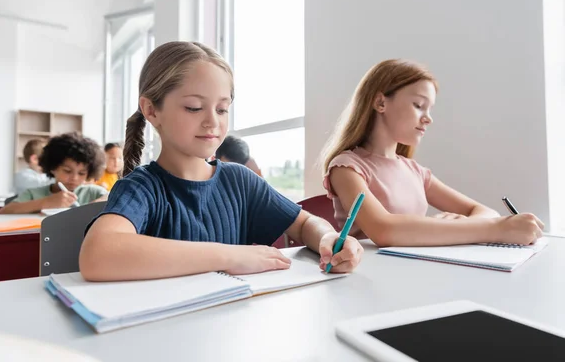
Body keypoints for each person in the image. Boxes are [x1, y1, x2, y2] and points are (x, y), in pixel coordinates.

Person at [79, 41, 363, 282]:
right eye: (194, 107)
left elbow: (304, 224)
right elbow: (98, 254)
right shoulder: (141, 188)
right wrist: (230, 256)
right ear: (152, 110)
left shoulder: (239, 180)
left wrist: (328, 238)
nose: (212, 122)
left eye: (222, 109)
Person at [321, 59, 543, 247]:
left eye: (430, 109)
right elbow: (383, 230)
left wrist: (463, 223)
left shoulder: (416, 172)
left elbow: (485, 211)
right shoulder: (346, 168)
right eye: (418, 105)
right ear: (380, 102)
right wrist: (496, 229)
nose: (428, 118)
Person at [0, 133, 107, 214]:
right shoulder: (34, 194)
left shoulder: (92, 192)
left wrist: (98, 203)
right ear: (53, 167)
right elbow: (3, 212)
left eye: (82, 173)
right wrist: (47, 202)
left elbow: (112, 197)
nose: (74, 178)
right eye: (67, 171)